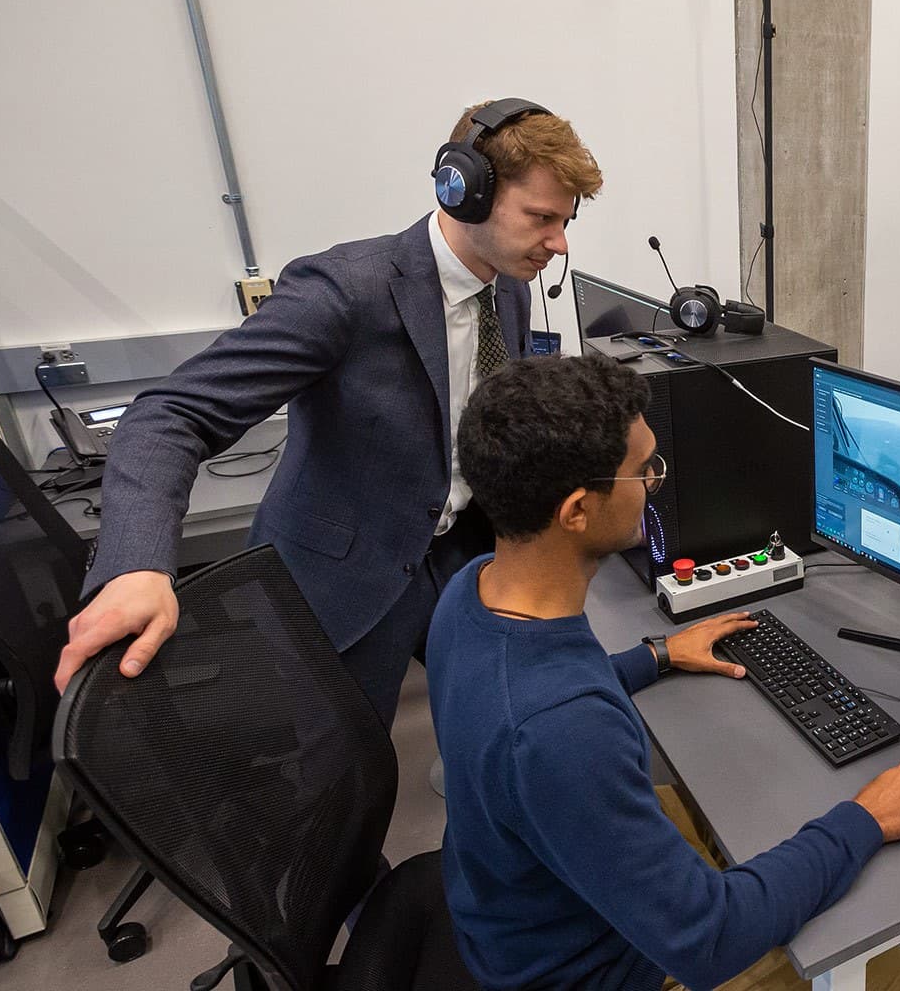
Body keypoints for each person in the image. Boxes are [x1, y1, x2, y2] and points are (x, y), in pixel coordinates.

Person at [55, 98, 599, 732]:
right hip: (342, 578)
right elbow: (168, 416)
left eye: (564, 221)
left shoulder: (508, 279)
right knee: (339, 769)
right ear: (465, 193)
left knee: (497, 713)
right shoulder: (343, 292)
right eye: (541, 218)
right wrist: (136, 565)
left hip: (454, 557)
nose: (558, 244)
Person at [429, 353, 900, 991]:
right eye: (643, 470)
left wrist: (657, 655)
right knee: (885, 969)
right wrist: (867, 816)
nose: (656, 481)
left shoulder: (471, 593)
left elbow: (534, 694)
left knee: (737, 812)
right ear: (576, 510)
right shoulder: (560, 732)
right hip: (602, 969)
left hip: (523, 900)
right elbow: (708, 940)